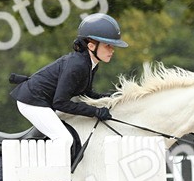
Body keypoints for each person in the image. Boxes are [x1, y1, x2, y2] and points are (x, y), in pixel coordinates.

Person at [9, 13, 126, 146]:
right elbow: (60, 103)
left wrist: (112, 97)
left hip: (43, 100)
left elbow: (86, 93)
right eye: (108, 46)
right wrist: (95, 112)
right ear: (92, 46)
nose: (112, 50)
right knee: (64, 140)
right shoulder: (78, 65)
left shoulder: (91, 63)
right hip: (32, 101)